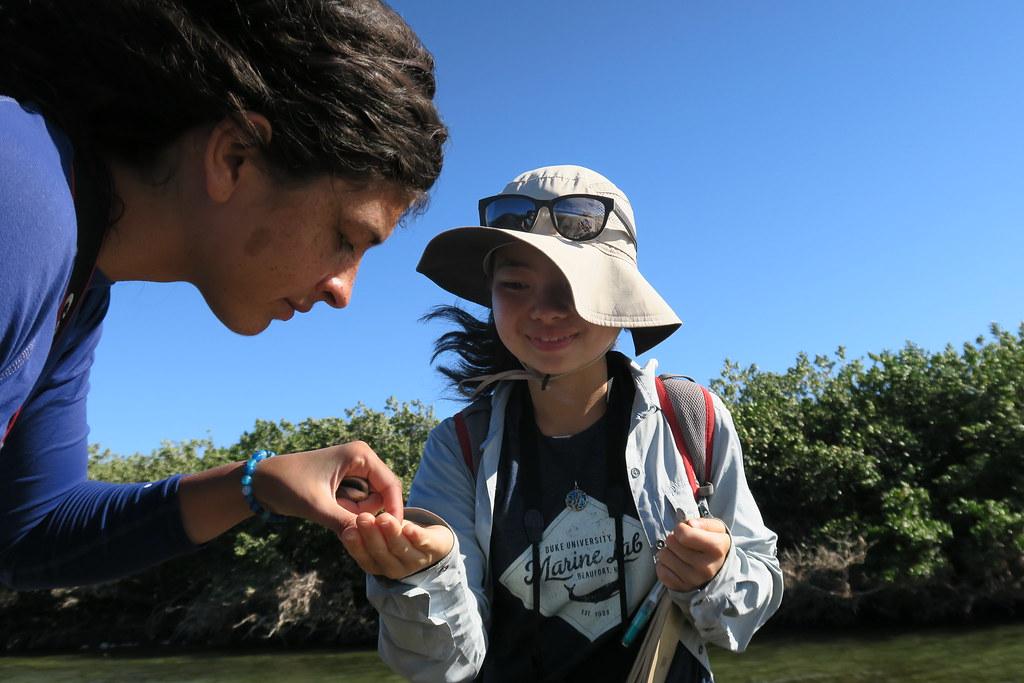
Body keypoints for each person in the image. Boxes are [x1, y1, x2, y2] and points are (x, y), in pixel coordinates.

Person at [0, 0, 447, 590]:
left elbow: (30, 534)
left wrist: (256, 484)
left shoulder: (79, 291)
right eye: (345, 238)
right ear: (233, 157)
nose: (343, 291)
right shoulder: (19, 196)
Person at [341, 166, 784, 682]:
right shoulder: (459, 447)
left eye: (574, 284)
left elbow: (747, 611)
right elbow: (444, 665)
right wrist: (419, 575)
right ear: (491, 296)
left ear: (623, 297)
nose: (545, 311)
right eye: (515, 285)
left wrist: (717, 575)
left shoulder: (692, 418)